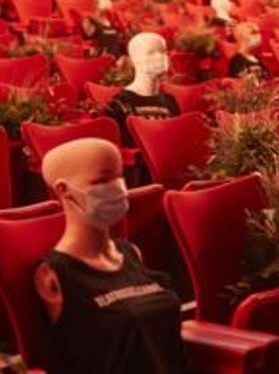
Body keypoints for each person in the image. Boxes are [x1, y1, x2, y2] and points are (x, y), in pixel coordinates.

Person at [33, 138, 187, 374]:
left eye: (119, 177)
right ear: (63, 190)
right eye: (102, 180)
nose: (118, 188)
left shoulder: (131, 253)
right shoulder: (55, 275)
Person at [105, 33, 181, 148]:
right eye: (151, 53)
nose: (159, 57)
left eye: (163, 51)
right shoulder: (119, 103)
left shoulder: (170, 101)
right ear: (134, 60)